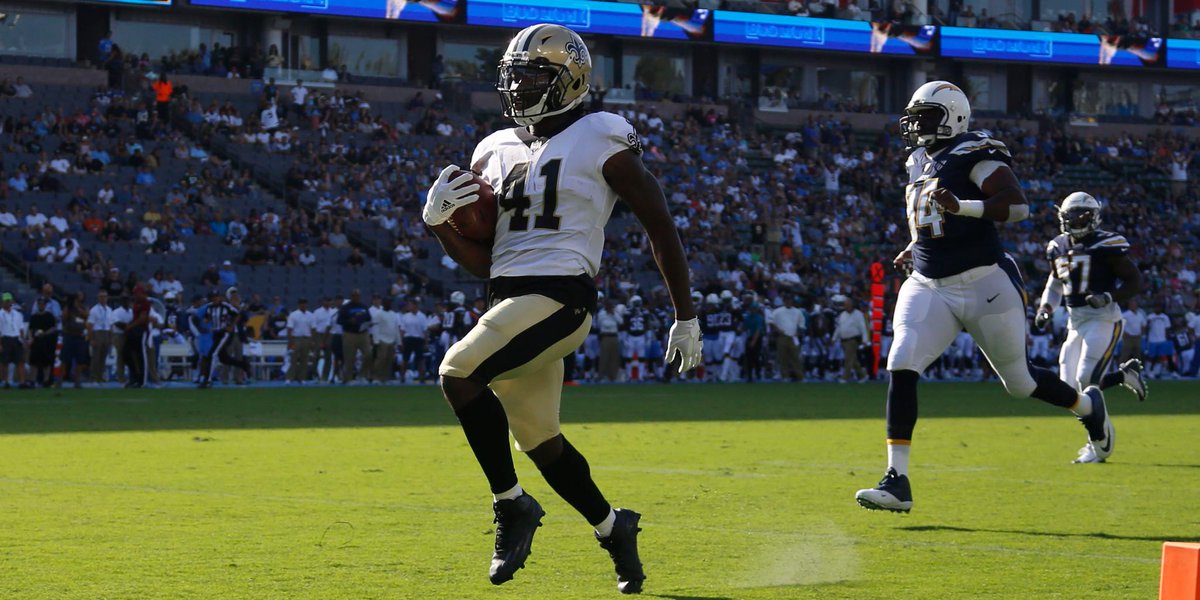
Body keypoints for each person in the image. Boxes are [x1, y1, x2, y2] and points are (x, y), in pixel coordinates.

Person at [422, 23, 702, 594]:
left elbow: (660, 224)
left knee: (457, 372)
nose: (518, 86)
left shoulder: (600, 134)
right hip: (509, 300)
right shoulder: (492, 149)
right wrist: (438, 227)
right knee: (538, 439)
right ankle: (613, 527)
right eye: (513, 75)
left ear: (570, 79)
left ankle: (511, 505)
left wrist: (685, 314)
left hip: (560, 297)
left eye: (532, 75)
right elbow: (485, 263)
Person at [855, 81, 1114, 514]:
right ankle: (897, 480)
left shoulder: (974, 150)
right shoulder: (918, 159)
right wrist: (914, 244)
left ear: (954, 117)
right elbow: (929, 214)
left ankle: (1088, 406)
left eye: (927, 116)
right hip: (928, 281)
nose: (917, 125)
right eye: (915, 116)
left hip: (984, 282)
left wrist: (965, 206)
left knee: (1020, 383)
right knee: (901, 359)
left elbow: (1017, 206)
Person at [1034, 192, 1148, 462]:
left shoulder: (1106, 244)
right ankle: (1123, 376)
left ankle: (1098, 444)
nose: (1075, 221)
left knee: (1086, 379)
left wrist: (1108, 297)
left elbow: (1134, 281)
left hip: (1103, 319)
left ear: (1093, 217)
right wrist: (1046, 307)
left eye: (1080, 216)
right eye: (1071, 216)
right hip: (1075, 322)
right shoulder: (1058, 245)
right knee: (1067, 390)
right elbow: (1055, 283)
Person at [197, 288, 252, 388]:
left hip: (224, 333)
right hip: (215, 333)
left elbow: (237, 315)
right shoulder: (209, 307)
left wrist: (231, 326)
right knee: (224, 359)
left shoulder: (226, 306)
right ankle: (243, 364)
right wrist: (205, 321)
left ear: (220, 297)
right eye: (213, 297)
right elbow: (207, 318)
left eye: (216, 297)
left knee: (212, 354)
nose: (215, 299)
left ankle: (208, 380)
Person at [337, 289, 372, 384]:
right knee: (349, 358)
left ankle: (362, 375)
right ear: (351, 296)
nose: (356, 297)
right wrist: (349, 321)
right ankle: (348, 379)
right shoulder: (345, 308)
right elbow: (339, 321)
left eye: (357, 295)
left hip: (363, 334)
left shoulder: (364, 307)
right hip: (350, 334)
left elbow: (369, 318)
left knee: (368, 354)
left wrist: (369, 323)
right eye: (354, 295)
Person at [120, 285, 152, 388]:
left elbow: (142, 318)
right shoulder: (135, 303)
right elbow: (135, 318)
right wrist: (129, 326)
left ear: (141, 293)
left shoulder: (145, 303)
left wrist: (130, 326)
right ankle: (134, 377)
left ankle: (142, 381)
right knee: (125, 353)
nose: (135, 295)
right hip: (133, 330)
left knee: (141, 355)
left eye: (137, 293)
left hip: (141, 330)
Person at [834, 296, 870, 382]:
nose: (845, 306)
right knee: (852, 359)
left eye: (847, 305)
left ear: (852, 305)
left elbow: (863, 327)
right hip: (843, 340)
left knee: (848, 359)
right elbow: (839, 327)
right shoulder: (842, 315)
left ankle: (845, 377)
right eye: (845, 305)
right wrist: (834, 338)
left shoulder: (858, 314)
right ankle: (863, 375)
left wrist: (865, 340)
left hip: (852, 340)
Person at [770, 296, 805, 381]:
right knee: (782, 357)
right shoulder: (777, 311)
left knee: (796, 357)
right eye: (786, 300)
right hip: (782, 336)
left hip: (793, 337)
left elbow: (802, 324)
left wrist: (798, 332)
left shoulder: (797, 311)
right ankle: (785, 376)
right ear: (784, 301)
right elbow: (771, 322)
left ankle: (800, 376)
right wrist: (777, 330)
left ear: (792, 301)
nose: (788, 302)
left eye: (789, 300)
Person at [60, 293, 90, 388]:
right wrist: (70, 307)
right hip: (69, 335)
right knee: (65, 359)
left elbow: (87, 315)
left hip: (80, 336)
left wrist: (79, 309)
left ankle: (77, 381)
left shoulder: (84, 308)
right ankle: (60, 380)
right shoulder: (68, 308)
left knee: (80, 360)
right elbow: (64, 317)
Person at [28, 297, 59, 387]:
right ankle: (32, 380)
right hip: (36, 341)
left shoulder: (49, 316)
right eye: (39, 304)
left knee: (47, 362)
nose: (41, 305)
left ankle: (46, 380)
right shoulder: (34, 316)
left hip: (46, 341)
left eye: (43, 304)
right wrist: (31, 338)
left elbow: (53, 328)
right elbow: (30, 329)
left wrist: (45, 333)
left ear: (45, 305)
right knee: (34, 361)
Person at [0, 293, 29, 389]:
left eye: (9, 301)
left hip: (16, 338)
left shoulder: (18, 314)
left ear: (12, 301)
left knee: (20, 362)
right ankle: (5, 382)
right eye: (6, 301)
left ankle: (22, 382)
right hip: (5, 338)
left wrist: (23, 340)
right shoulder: (0, 314)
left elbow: (21, 328)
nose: (7, 303)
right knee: (4, 362)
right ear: (2, 302)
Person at [368, 295, 399, 383]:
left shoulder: (394, 314)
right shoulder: (378, 314)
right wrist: (376, 340)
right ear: (384, 303)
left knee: (389, 360)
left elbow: (396, 328)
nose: (389, 304)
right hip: (382, 340)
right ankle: (376, 377)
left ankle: (385, 378)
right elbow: (375, 328)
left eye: (390, 302)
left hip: (391, 340)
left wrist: (398, 341)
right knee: (380, 359)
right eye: (388, 302)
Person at [286, 298, 315, 383]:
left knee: (304, 360)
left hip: (306, 338)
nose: (304, 305)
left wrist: (312, 341)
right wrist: (290, 341)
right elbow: (289, 329)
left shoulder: (310, 315)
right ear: (299, 305)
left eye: (305, 303)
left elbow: (313, 329)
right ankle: (289, 378)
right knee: (293, 359)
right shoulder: (293, 315)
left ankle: (302, 378)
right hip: (296, 339)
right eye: (302, 303)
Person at [88, 290, 115, 382]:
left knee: (104, 356)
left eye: (105, 296)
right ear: (98, 298)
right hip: (97, 333)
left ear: (107, 298)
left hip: (106, 332)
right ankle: (93, 377)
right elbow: (90, 325)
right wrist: (92, 338)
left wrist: (111, 337)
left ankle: (100, 376)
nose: (103, 298)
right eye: (101, 296)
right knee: (96, 356)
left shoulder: (109, 310)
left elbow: (111, 324)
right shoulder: (94, 310)